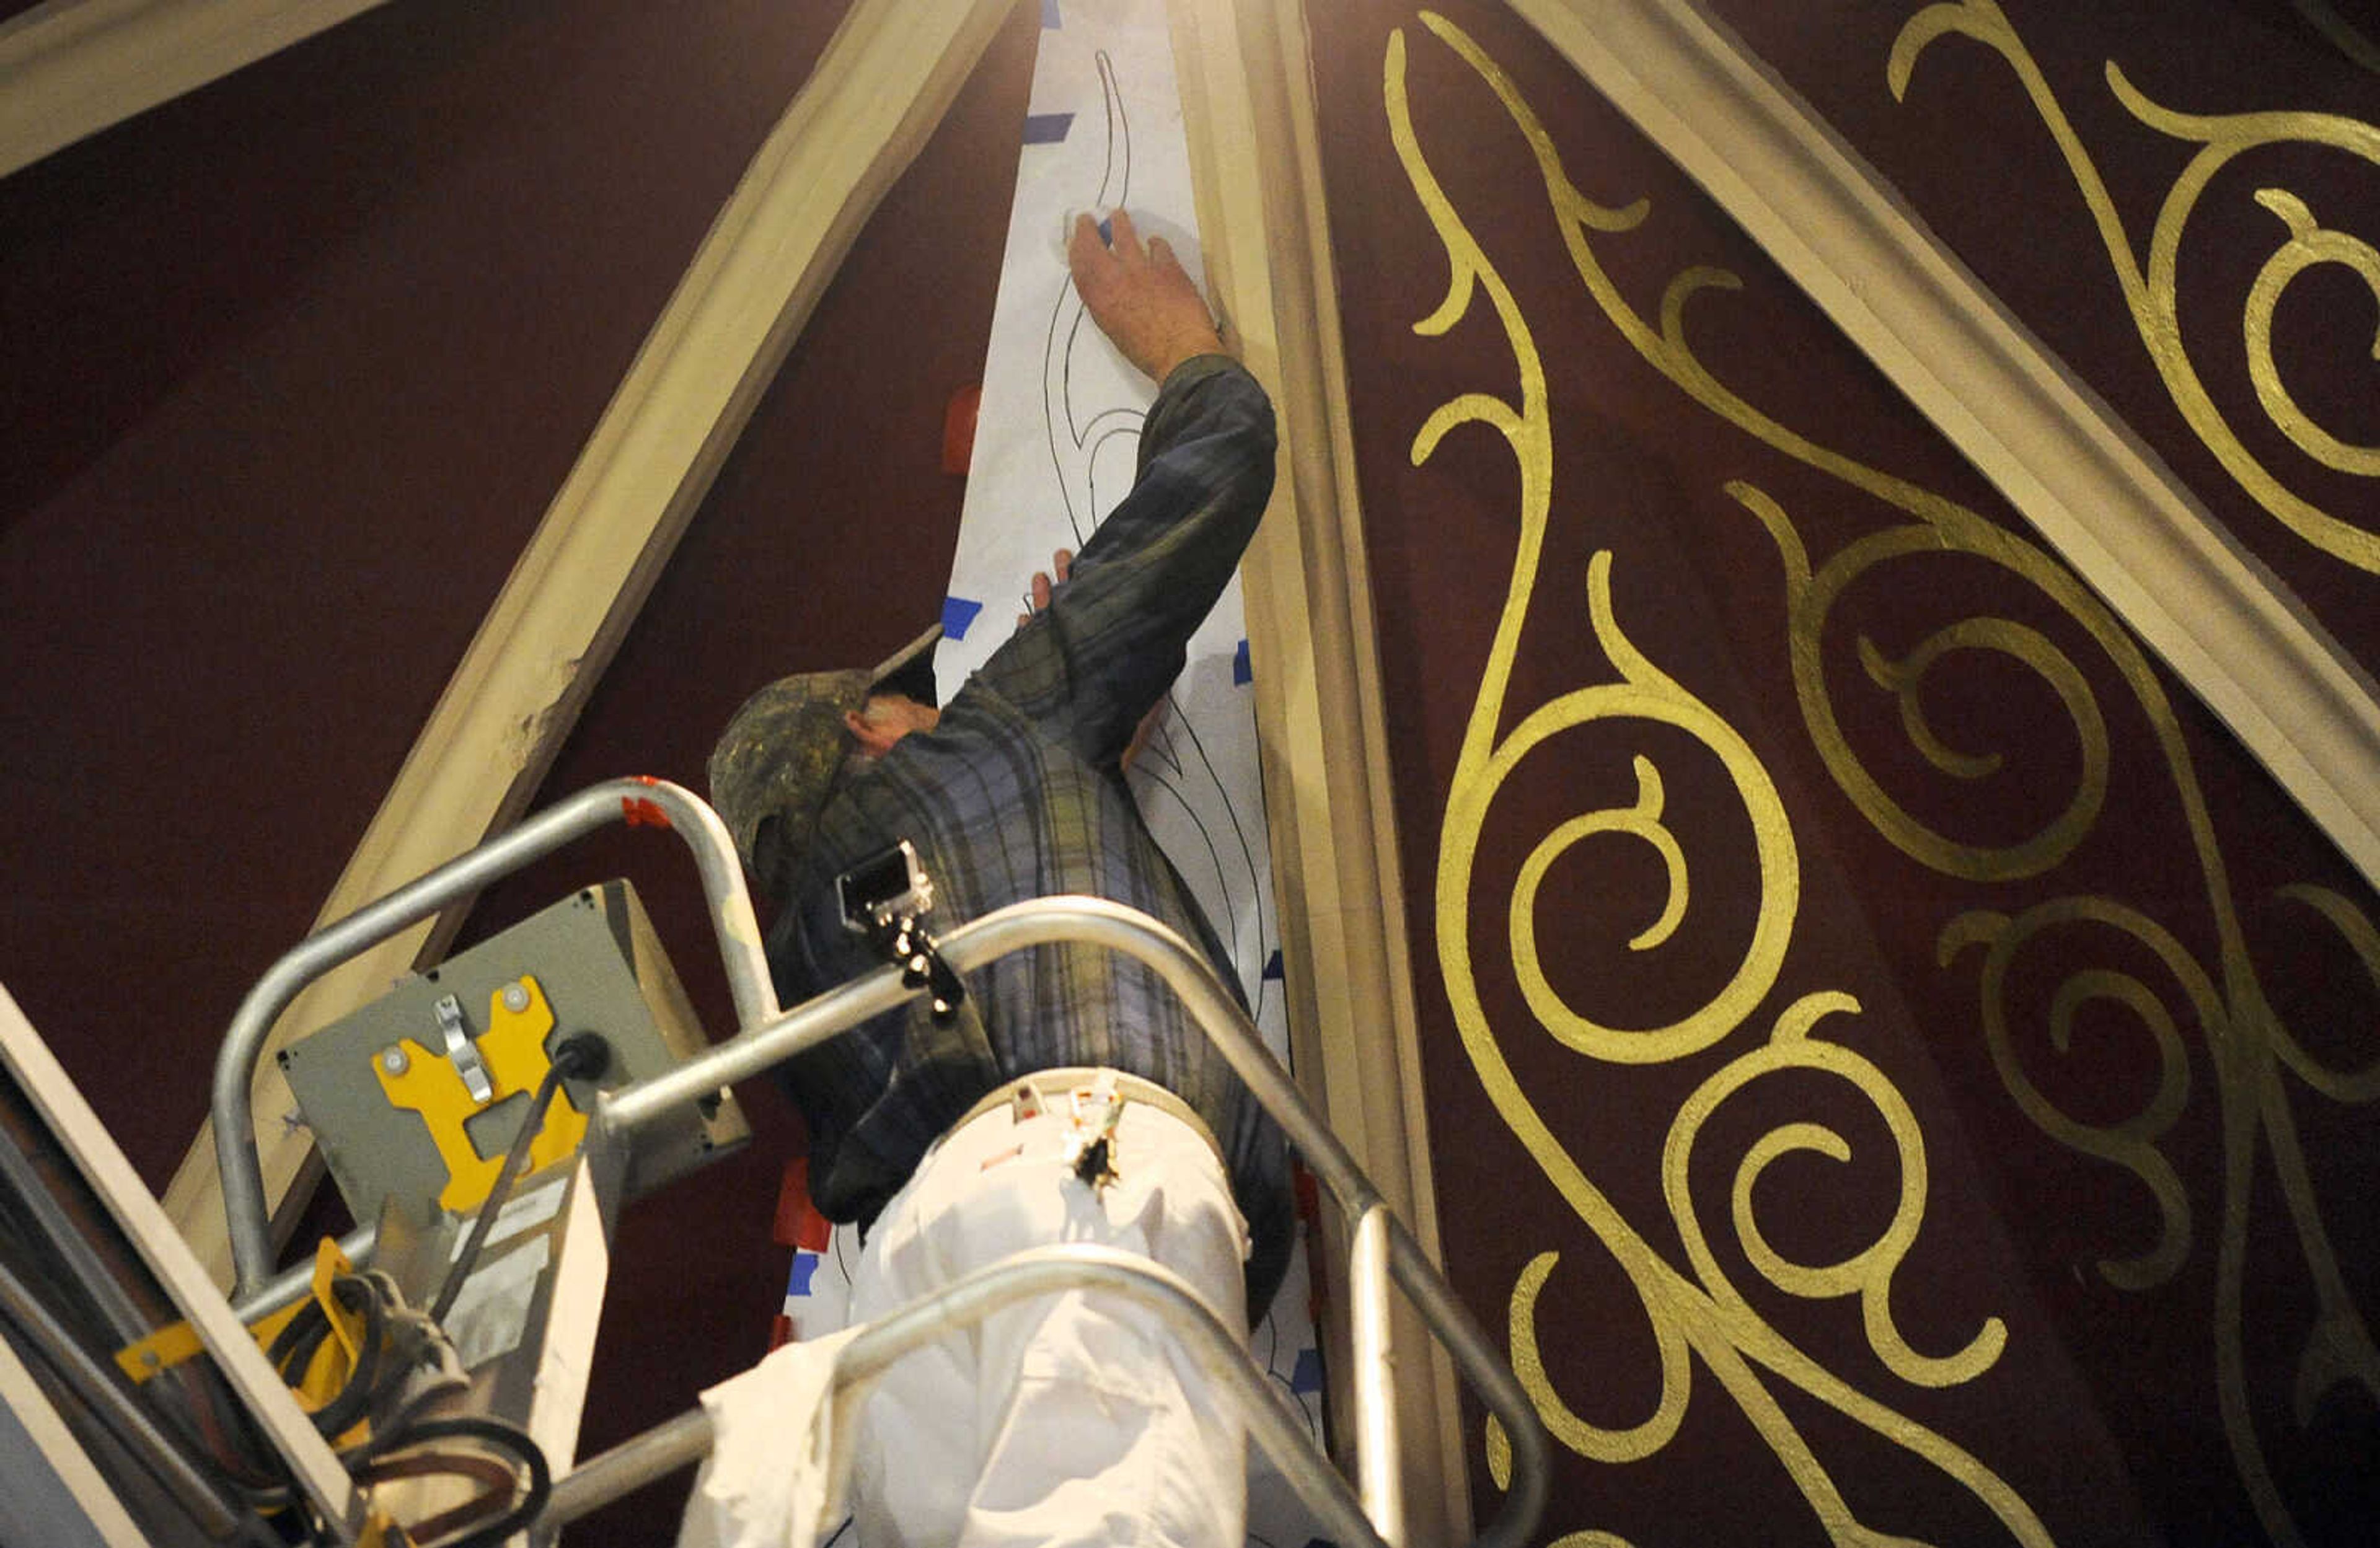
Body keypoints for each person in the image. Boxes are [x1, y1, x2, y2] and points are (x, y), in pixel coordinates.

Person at [705, 209, 1292, 1548]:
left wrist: (1080, 774)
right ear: (866, 728)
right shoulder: (998, 734)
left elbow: (950, 965)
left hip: (904, 1291)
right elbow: (1220, 456)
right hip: (1082, 1181)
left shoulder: (798, 978)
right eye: (910, 702)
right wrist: (1188, 350)